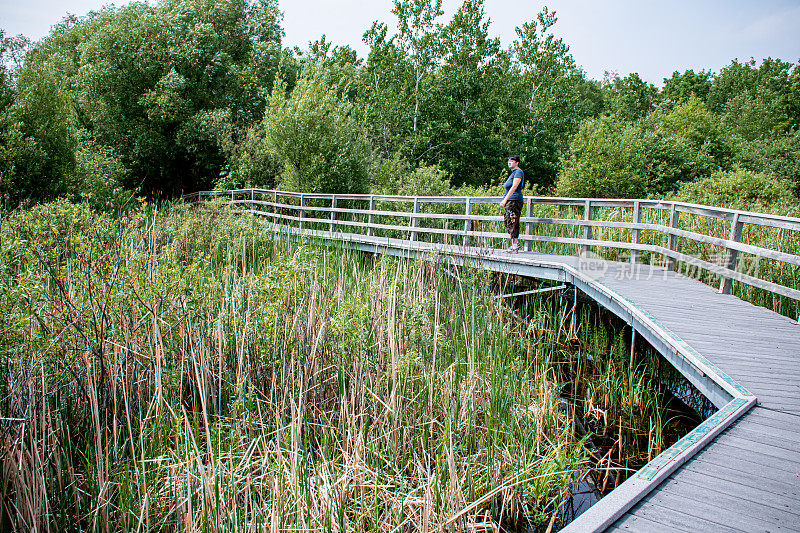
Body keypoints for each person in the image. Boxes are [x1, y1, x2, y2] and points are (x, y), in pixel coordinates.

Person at [500, 155, 525, 252]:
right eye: (508, 161)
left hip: (514, 200)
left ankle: (514, 245)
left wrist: (505, 200)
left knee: (513, 221)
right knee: (507, 221)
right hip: (510, 200)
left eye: (512, 161)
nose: (509, 162)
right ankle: (514, 243)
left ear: (517, 162)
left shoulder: (518, 172)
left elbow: (514, 186)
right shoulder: (513, 173)